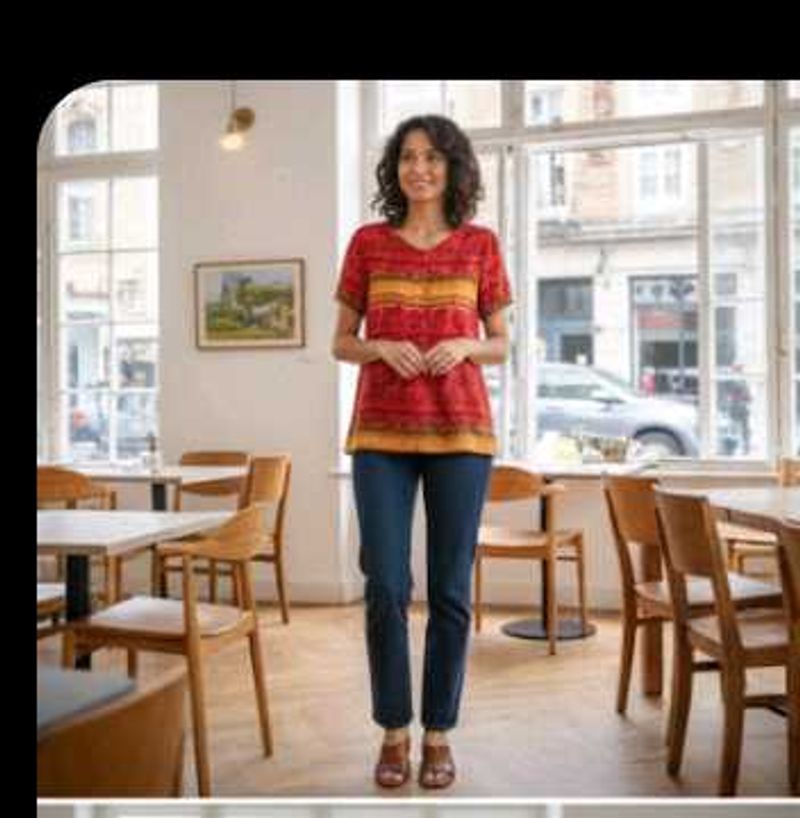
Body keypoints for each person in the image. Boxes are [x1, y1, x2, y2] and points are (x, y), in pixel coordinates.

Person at [331, 114, 512, 790]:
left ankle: (438, 732)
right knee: (384, 585)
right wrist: (379, 345)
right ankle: (393, 729)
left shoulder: (480, 245)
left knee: (450, 591)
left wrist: (467, 344)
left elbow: (502, 341)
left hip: (462, 433)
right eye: (408, 157)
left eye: (433, 158)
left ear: (453, 167)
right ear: (395, 169)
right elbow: (339, 341)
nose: (419, 169)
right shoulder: (368, 243)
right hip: (379, 433)